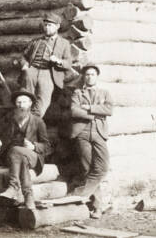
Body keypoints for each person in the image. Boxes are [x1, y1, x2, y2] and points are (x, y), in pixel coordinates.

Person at [0, 90, 52, 210]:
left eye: (24, 102)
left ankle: (13, 187)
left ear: (30, 104)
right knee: (18, 155)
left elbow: (47, 146)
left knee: (16, 151)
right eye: (18, 102)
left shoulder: (38, 122)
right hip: (9, 158)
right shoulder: (8, 119)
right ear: (15, 104)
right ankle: (29, 197)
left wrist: (34, 146)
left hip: (32, 156)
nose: (21, 105)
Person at [68, 64, 113, 219]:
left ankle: (78, 194)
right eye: (87, 74)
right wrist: (93, 114)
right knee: (87, 169)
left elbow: (109, 110)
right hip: (82, 132)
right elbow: (74, 111)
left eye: (92, 74)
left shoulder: (105, 92)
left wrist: (89, 107)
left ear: (97, 76)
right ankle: (97, 207)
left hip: (99, 132)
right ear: (83, 77)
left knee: (102, 167)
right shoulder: (77, 92)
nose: (89, 77)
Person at [18, 12, 73, 117]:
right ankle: (24, 122)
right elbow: (23, 56)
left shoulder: (64, 43)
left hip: (48, 73)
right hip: (31, 71)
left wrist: (58, 60)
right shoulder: (36, 41)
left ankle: (33, 124)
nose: (47, 28)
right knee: (25, 99)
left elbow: (68, 63)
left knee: (42, 102)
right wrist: (24, 65)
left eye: (50, 25)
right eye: (45, 25)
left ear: (57, 26)